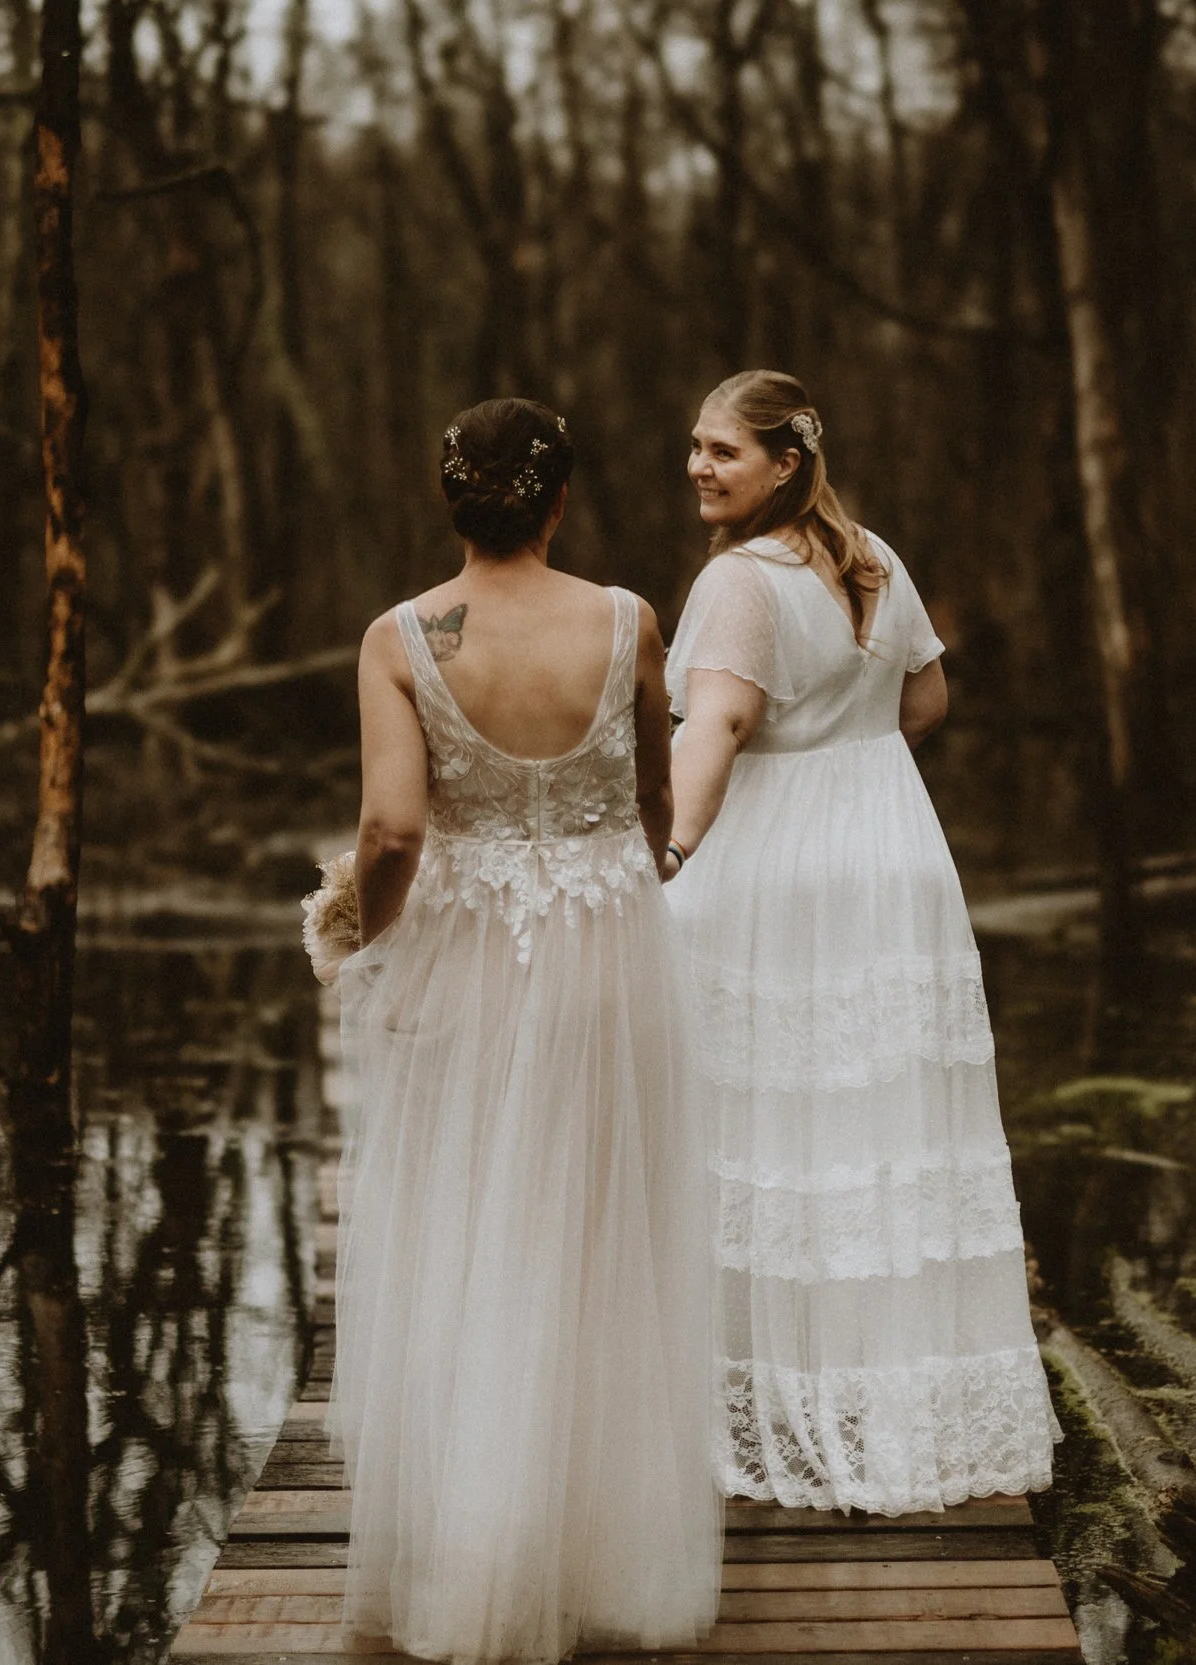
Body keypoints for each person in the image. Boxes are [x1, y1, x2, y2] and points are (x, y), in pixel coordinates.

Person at [329, 399, 719, 1663]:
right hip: (612, 953)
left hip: (473, 960)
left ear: (452, 502)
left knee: (468, 1234)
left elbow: (392, 831)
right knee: (603, 1239)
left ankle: (479, 1552)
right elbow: (657, 800)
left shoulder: (400, 638)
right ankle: (607, 1556)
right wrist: (624, 872)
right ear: (557, 501)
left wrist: (363, 933)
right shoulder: (627, 619)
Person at [664, 369, 1061, 1517]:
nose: (698, 466)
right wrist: (854, 759)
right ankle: (881, 1403)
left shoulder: (739, 581)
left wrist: (675, 846)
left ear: (784, 463)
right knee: (874, 1123)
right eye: (693, 447)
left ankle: (774, 1407)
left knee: (770, 1114)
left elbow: (719, 728)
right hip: (891, 857)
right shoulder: (872, 555)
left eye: (720, 452)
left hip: (777, 863)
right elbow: (927, 704)